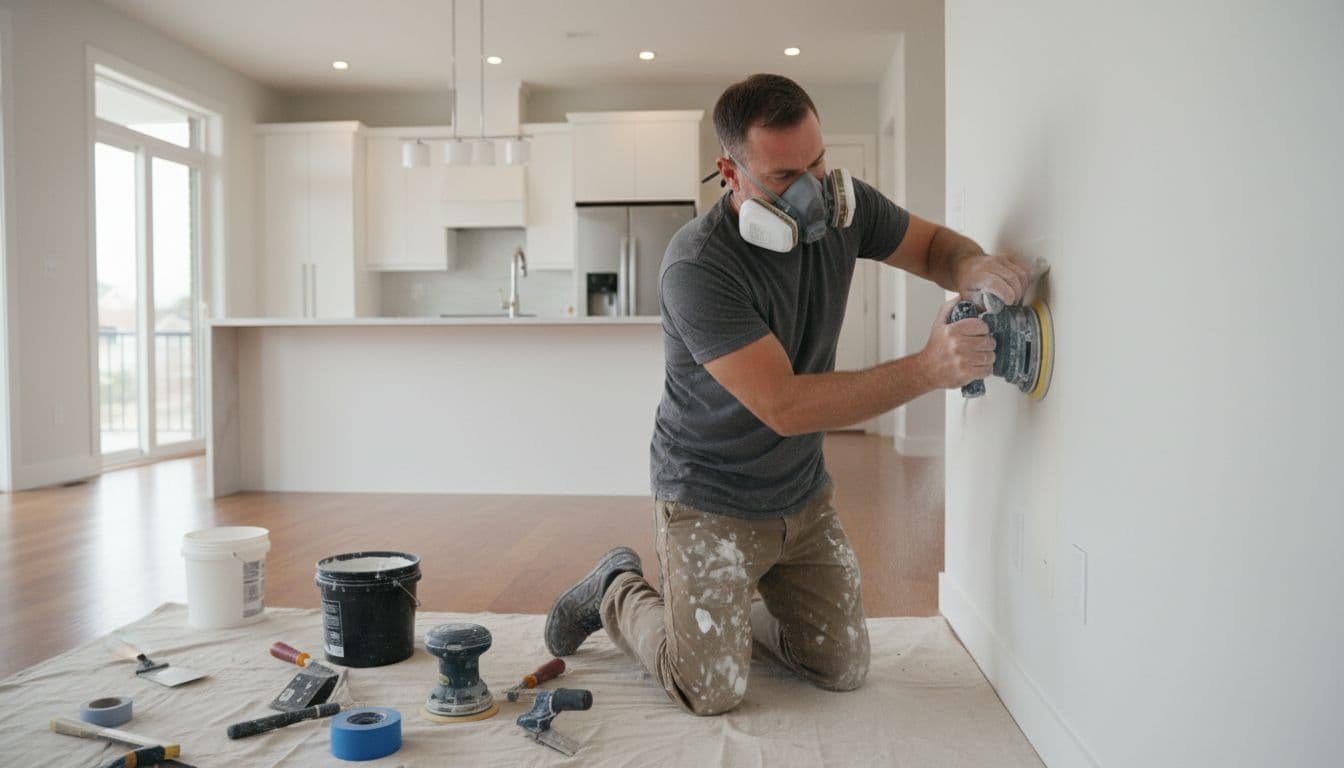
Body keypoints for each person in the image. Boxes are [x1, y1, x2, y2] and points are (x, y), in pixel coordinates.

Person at [544, 73, 1028, 716]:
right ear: (729, 171)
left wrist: (972, 266)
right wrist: (927, 369)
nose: (811, 192)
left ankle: (725, 617)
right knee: (709, 689)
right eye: (782, 177)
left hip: (799, 493)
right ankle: (617, 587)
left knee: (841, 667)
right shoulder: (698, 267)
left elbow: (934, 246)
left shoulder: (843, 206)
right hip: (707, 496)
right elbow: (785, 405)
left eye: (818, 163)